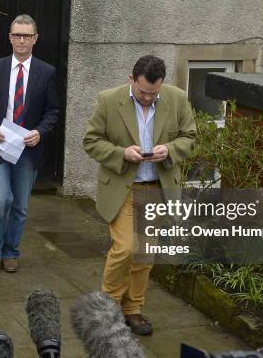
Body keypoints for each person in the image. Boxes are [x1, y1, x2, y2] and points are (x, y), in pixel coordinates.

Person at [83, 55, 196, 335]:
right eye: (143, 92)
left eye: (153, 93)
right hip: (124, 188)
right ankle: (107, 309)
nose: (147, 98)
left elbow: (190, 138)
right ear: (131, 79)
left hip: (157, 189)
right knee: (125, 248)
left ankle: (132, 310)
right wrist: (122, 153)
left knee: (145, 254)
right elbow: (91, 141)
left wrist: (169, 149)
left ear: (162, 85)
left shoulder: (177, 99)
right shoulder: (109, 100)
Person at [0, 14, 59, 273]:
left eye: (27, 36)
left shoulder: (47, 72)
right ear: (10, 38)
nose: (22, 40)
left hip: (28, 150)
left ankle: (11, 252)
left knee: (19, 206)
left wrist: (40, 132)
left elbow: (53, 111)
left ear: (35, 39)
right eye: (17, 35)